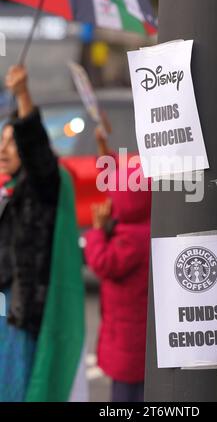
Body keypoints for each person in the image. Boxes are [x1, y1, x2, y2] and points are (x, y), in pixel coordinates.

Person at [0, 65, 85, 402]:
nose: (4, 150)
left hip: (22, 321)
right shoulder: (9, 190)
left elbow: (38, 156)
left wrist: (22, 95)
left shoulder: (42, 186)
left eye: (12, 143)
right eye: (1, 142)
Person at [84, 127, 151, 403]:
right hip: (134, 337)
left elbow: (103, 264)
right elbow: (125, 182)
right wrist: (104, 152)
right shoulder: (146, 225)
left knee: (125, 397)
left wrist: (97, 231)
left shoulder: (131, 239)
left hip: (128, 344)